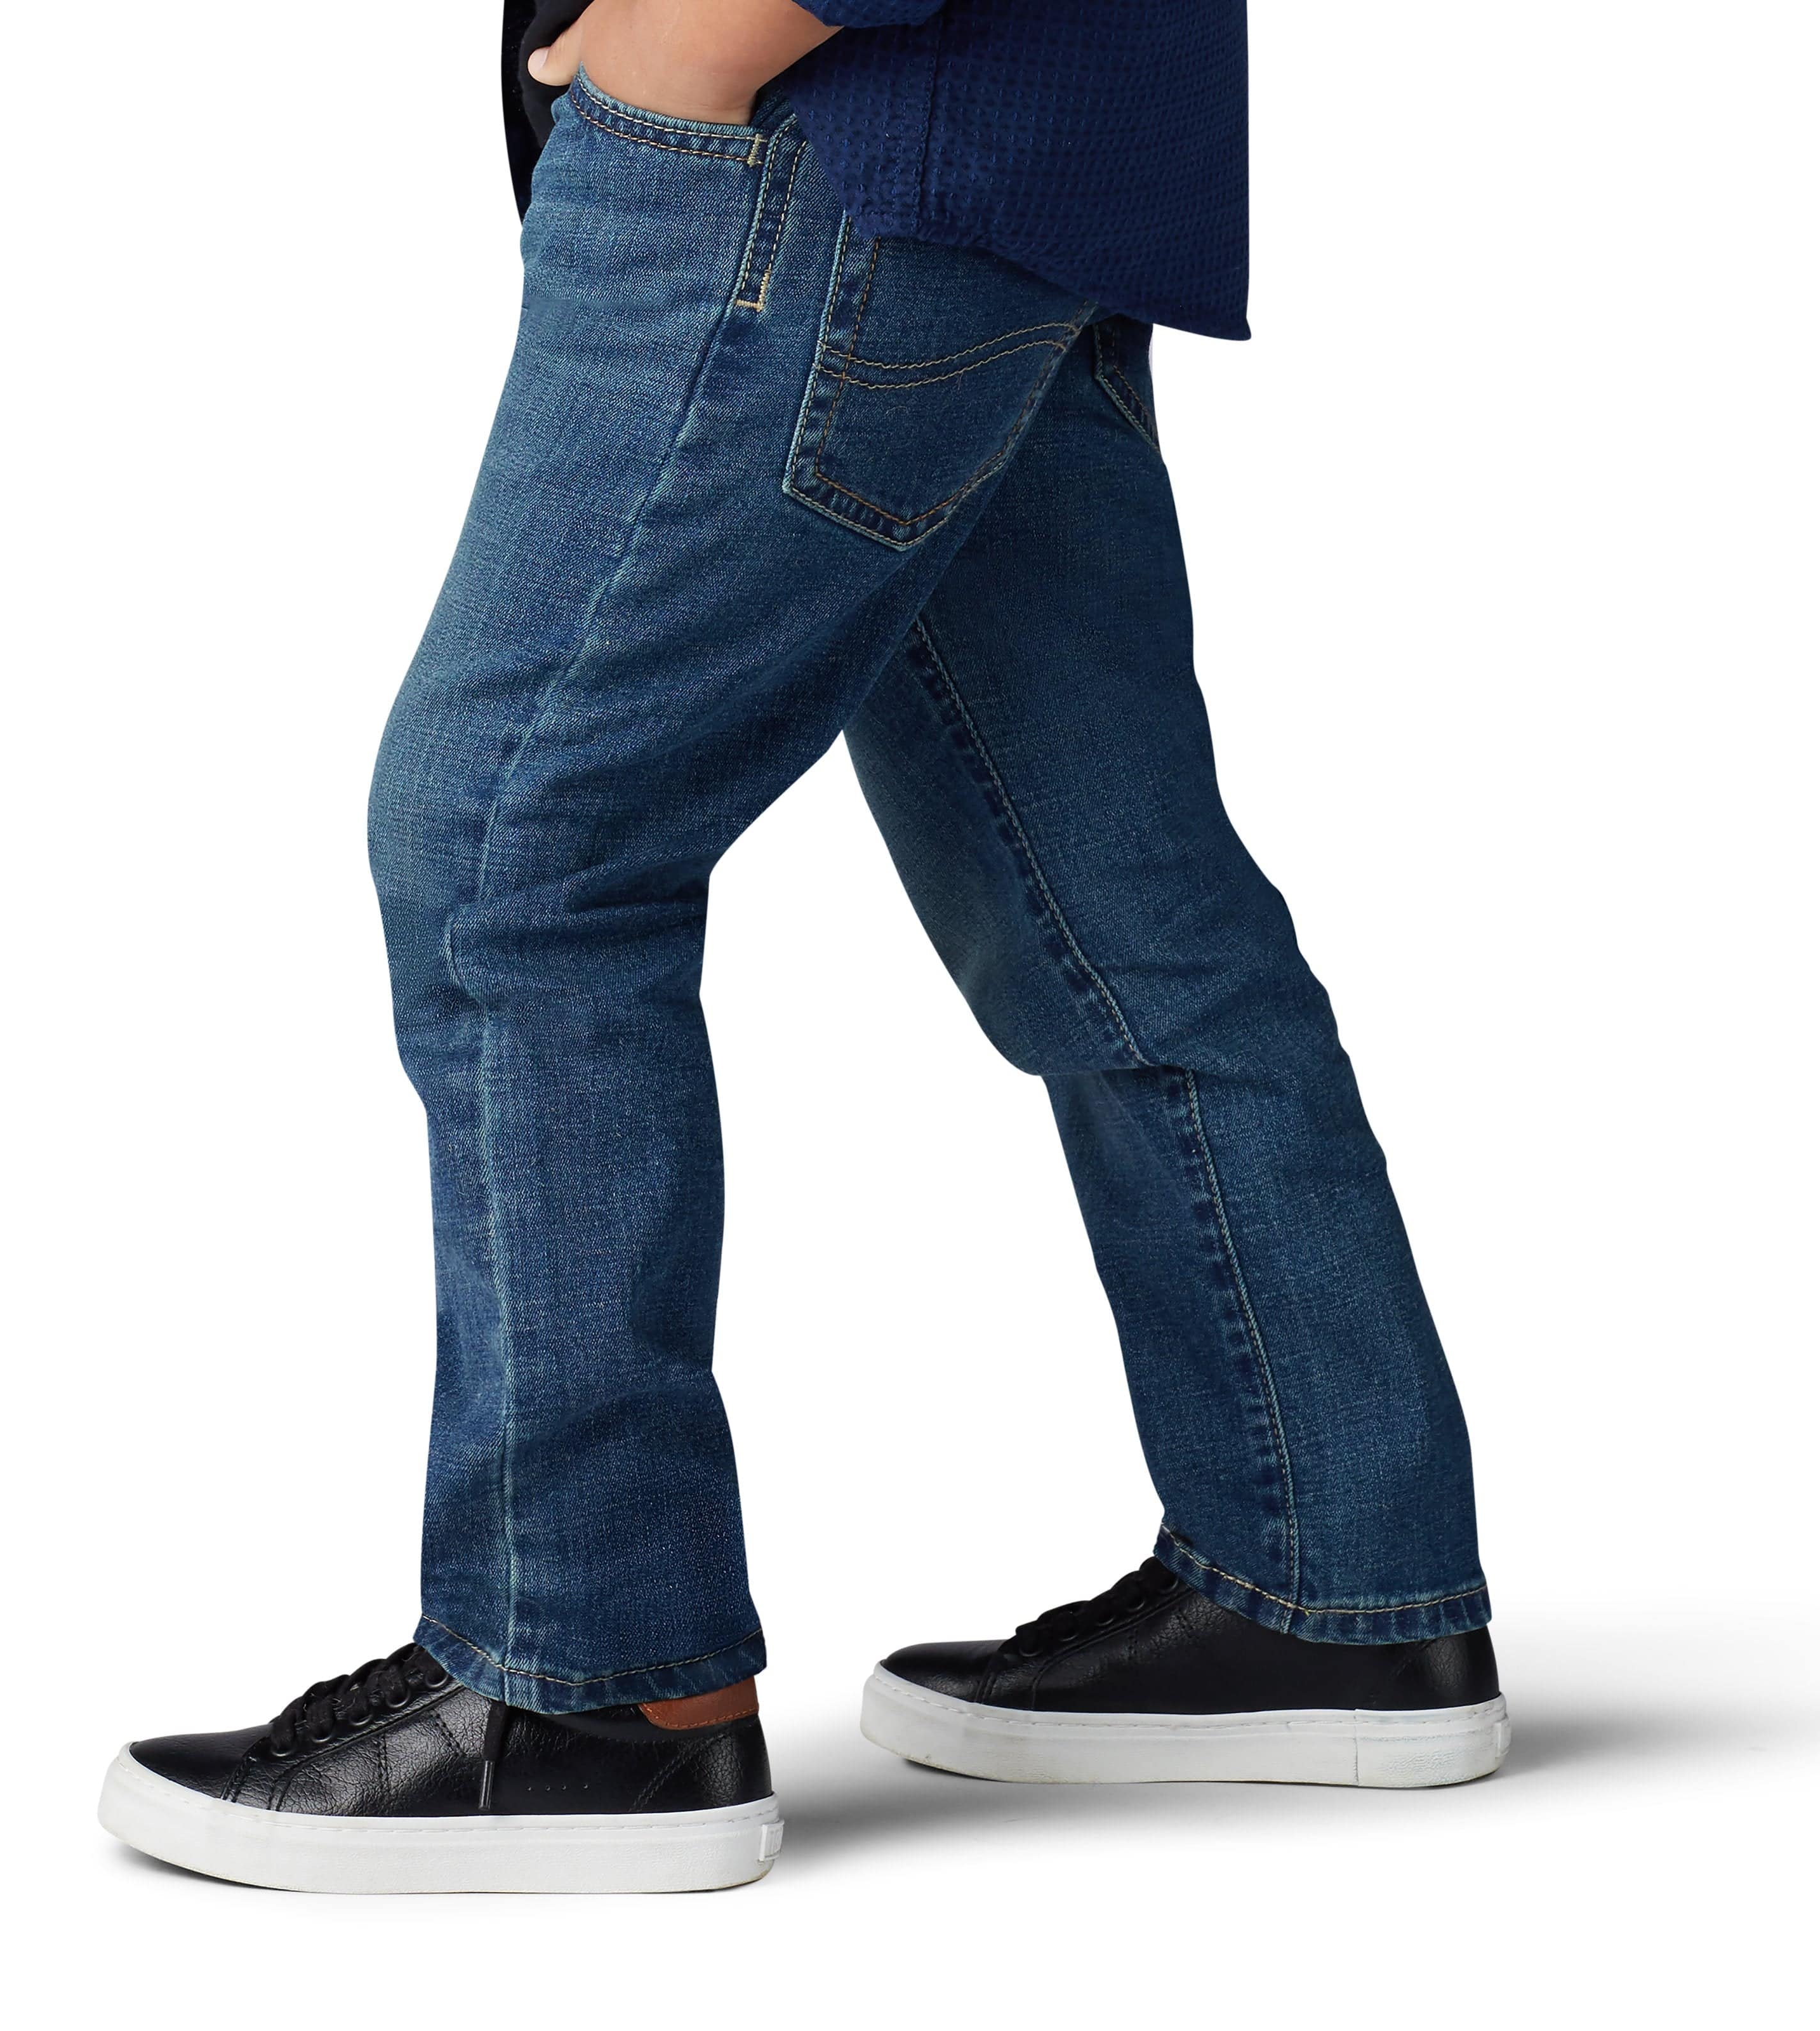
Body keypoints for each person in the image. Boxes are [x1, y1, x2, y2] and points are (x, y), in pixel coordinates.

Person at [99, 0, 1502, 1896]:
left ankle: (590, 1685)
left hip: (840, 137)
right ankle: (1328, 1577)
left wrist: (695, 39)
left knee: (519, 855)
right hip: (1016, 151)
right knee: (1119, 904)